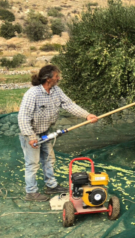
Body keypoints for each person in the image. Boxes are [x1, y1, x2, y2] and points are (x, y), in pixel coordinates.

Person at [18, 65, 98, 201]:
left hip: (45, 133)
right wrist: (31, 137)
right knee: (32, 163)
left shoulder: (56, 91)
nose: (58, 78)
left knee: (49, 160)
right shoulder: (33, 94)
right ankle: (31, 192)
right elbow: (23, 117)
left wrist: (87, 115)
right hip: (30, 134)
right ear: (48, 79)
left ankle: (51, 186)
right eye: (56, 76)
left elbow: (69, 104)